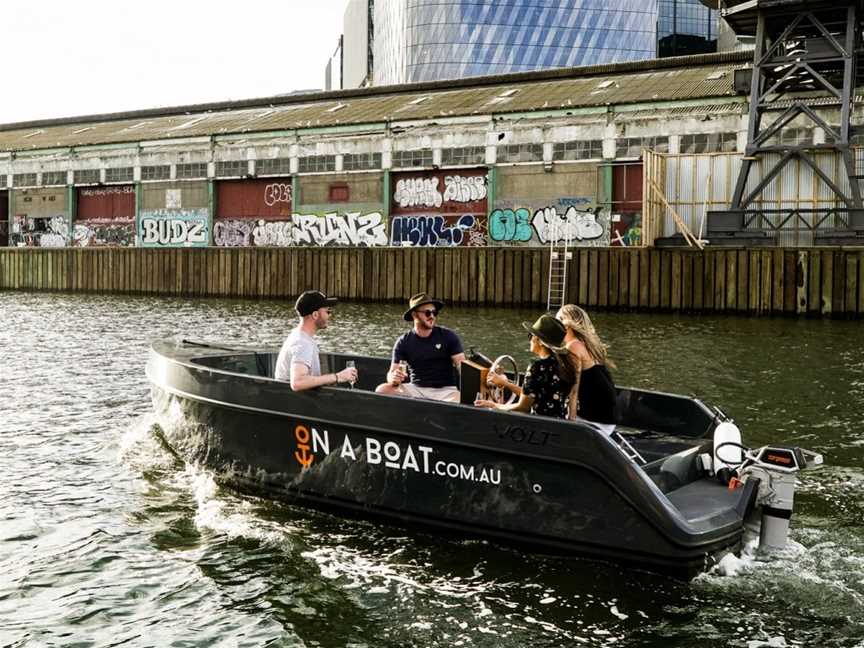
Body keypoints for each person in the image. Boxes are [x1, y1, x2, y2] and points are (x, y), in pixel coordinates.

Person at [474, 314, 575, 419]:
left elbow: (523, 407)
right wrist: (505, 383)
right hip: (561, 423)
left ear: (540, 341)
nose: (530, 340)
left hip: (539, 425)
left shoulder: (537, 366)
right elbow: (534, 394)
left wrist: (495, 405)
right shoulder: (566, 365)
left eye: (530, 336)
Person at [375, 292, 465, 402]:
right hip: (415, 389)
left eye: (434, 312)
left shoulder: (448, 336)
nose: (432, 316)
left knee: (459, 399)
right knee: (382, 390)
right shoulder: (403, 341)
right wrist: (393, 378)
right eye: (427, 313)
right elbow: (391, 373)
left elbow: (463, 368)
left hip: (445, 391)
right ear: (414, 315)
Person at [275, 290, 358, 391]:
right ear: (315, 315)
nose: (330, 315)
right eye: (327, 311)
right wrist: (338, 377)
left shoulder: (299, 336)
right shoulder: (302, 343)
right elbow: (297, 383)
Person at [556, 304, 617, 428]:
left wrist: (571, 420)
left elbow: (574, 387)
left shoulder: (573, 346)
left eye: (558, 322)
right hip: (609, 418)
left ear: (566, 324)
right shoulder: (590, 343)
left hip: (594, 421)